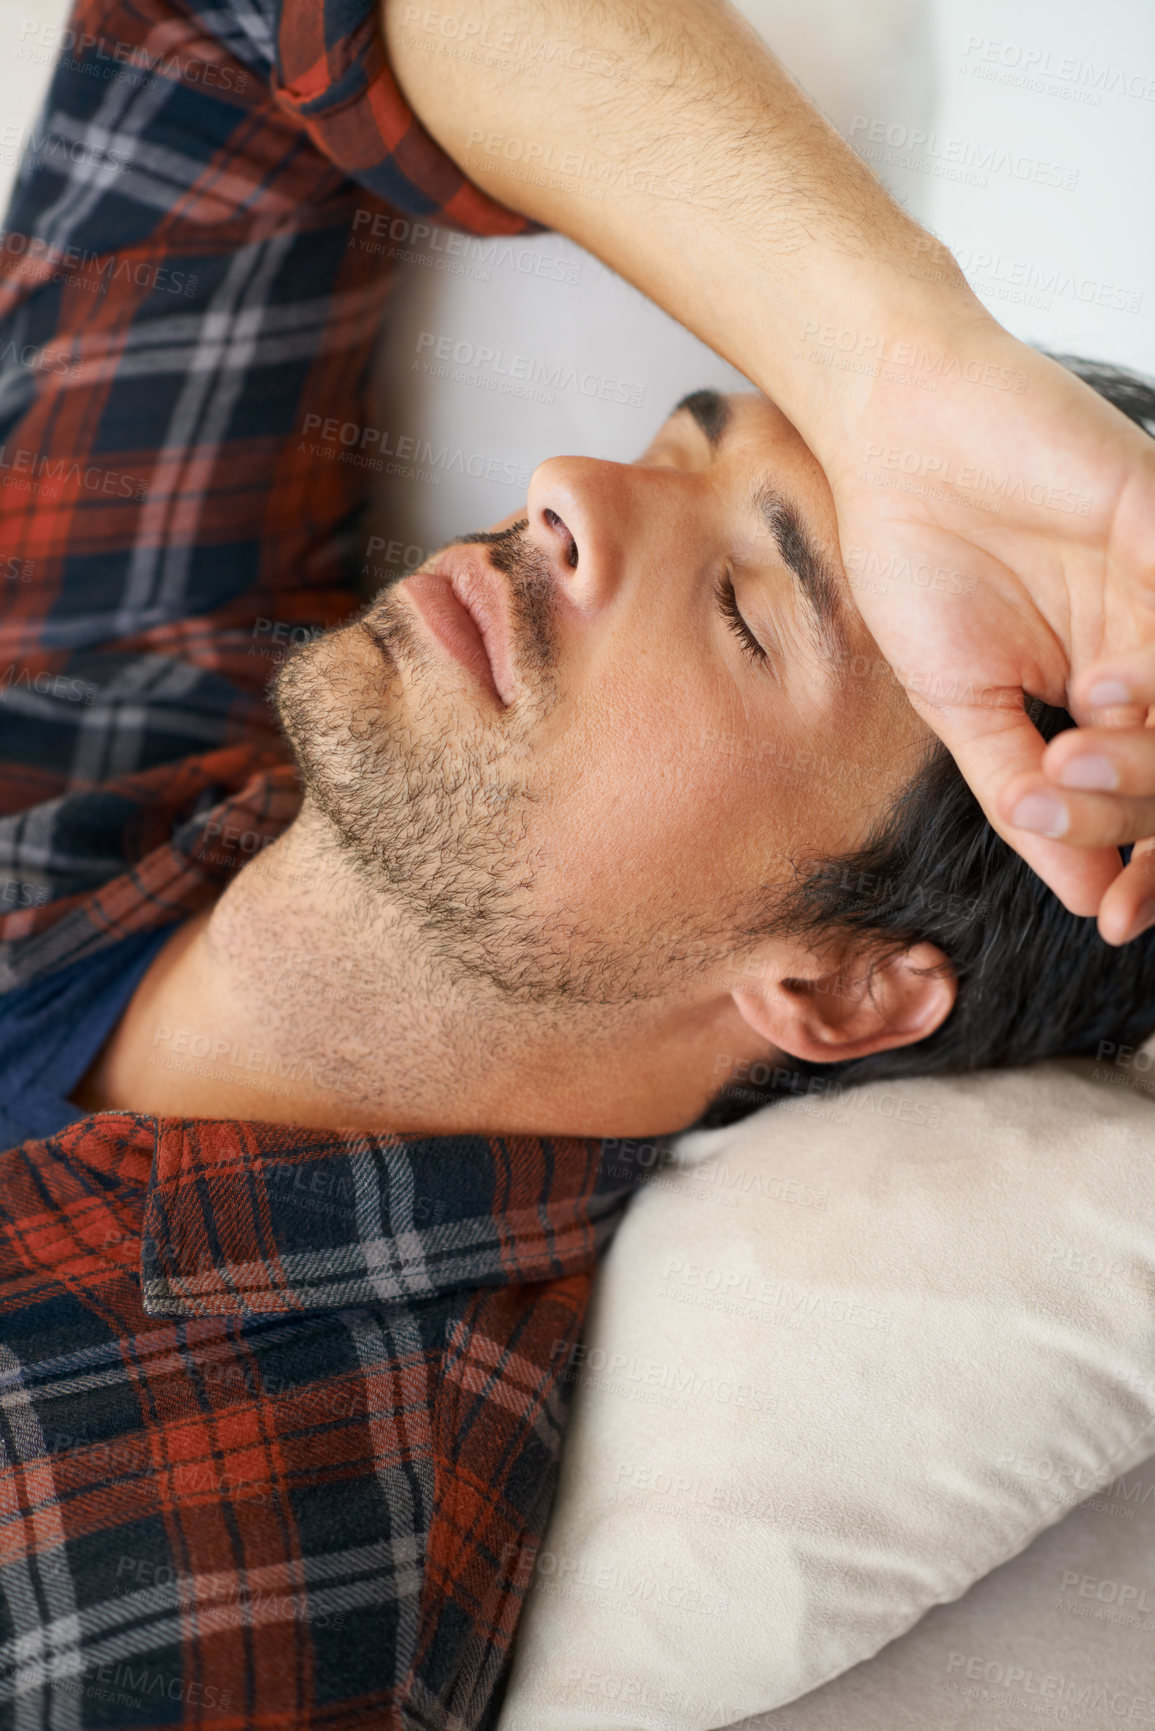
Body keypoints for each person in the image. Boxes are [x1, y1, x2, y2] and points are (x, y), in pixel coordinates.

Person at [0, 0, 1152, 1725]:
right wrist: (885, 356)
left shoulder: (206, 1564)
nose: (564, 494)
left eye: (749, 610)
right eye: (672, 449)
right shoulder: (134, 694)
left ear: (835, 986)